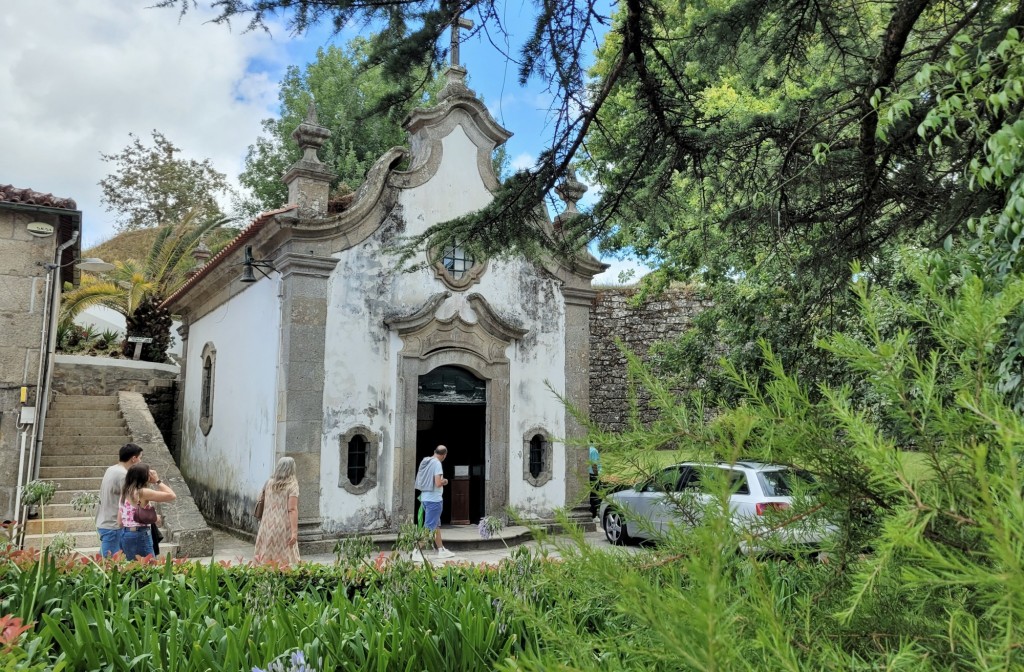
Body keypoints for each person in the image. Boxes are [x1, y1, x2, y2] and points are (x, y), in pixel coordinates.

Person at [119, 463, 176, 559]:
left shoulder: (125, 492)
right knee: (150, 568)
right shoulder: (142, 492)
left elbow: (120, 520)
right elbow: (172, 495)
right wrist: (157, 481)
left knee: (132, 568)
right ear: (144, 477)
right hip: (140, 534)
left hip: (126, 533)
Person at [96, 443, 143, 557]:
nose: (140, 461)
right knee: (104, 563)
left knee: (112, 560)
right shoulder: (124, 475)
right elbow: (131, 500)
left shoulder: (111, 469)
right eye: (140, 457)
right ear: (134, 458)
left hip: (104, 521)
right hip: (113, 525)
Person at [254, 456, 300, 566]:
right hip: (283, 526)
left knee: (265, 554)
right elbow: (292, 509)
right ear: (292, 469)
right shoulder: (292, 485)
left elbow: (260, 499)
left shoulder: (268, 483)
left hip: (267, 525)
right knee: (286, 557)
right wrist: (294, 532)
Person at [419, 445, 455, 559]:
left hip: (425, 497)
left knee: (435, 526)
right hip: (434, 500)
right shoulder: (437, 464)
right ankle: (416, 551)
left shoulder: (426, 461)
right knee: (429, 527)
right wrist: (445, 481)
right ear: (444, 455)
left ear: (435, 451)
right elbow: (438, 483)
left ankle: (441, 549)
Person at [588, 445, 602, 518]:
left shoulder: (587, 449)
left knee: (591, 496)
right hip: (593, 475)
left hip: (588, 475)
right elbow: (594, 465)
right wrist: (597, 476)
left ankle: (592, 513)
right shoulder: (593, 450)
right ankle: (594, 515)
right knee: (595, 496)